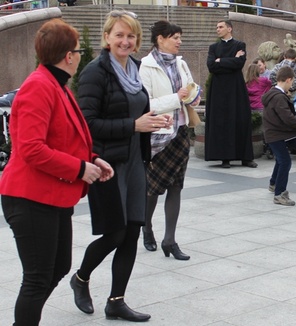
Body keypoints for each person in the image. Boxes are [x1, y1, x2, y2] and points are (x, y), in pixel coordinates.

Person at [0, 19, 113, 326]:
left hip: (52, 197)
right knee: (37, 279)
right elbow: (31, 148)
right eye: (78, 50)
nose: (80, 55)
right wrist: (80, 169)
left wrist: (92, 159)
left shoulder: (57, 86)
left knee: (59, 267)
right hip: (29, 197)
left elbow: (62, 139)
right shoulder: (39, 87)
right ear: (69, 55)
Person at [72, 10, 168, 322]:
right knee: (114, 233)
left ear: (137, 40)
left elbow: (137, 110)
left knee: (132, 233)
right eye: (119, 35)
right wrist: (133, 125)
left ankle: (116, 301)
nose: (125, 41)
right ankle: (81, 278)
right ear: (108, 38)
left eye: (130, 36)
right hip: (107, 165)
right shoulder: (95, 72)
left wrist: (152, 121)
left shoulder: (135, 69)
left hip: (135, 161)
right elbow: (86, 124)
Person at [139, 21, 200, 260]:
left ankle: (170, 240)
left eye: (180, 37)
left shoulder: (181, 63)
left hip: (181, 131)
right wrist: (176, 98)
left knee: (176, 186)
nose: (179, 41)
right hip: (158, 135)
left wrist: (193, 97)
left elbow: (191, 90)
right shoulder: (146, 66)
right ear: (160, 39)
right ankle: (146, 227)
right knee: (153, 189)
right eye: (175, 37)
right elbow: (147, 104)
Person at [205, 20, 257, 169]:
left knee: (241, 118)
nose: (217, 29)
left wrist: (220, 61)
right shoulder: (213, 47)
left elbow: (239, 64)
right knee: (222, 121)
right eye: (216, 27)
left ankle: (246, 158)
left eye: (220, 27)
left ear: (229, 29)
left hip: (236, 88)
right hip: (219, 90)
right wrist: (231, 60)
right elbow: (211, 66)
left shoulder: (240, 45)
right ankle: (225, 158)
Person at [262, 66, 296, 206]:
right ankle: (280, 194)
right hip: (275, 134)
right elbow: (287, 117)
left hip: (273, 133)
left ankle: (273, 183)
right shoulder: (278, 97)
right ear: (288, 79)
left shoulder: (273, 94)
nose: (292, 84)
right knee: (285, 161)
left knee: (281, 160)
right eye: (292, 81)